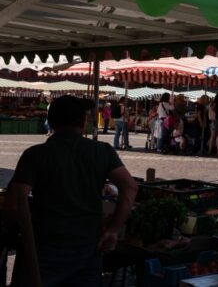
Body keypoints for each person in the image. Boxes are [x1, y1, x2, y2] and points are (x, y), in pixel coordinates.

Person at [2, 95, 138, 286]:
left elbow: (15, 203)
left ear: (51, 122)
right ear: (83, 121)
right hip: (88, 246)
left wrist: (15, 229)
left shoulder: (35, 155)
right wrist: (113, 230)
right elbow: (130, 187)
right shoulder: (102, 151)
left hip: (45, 246)